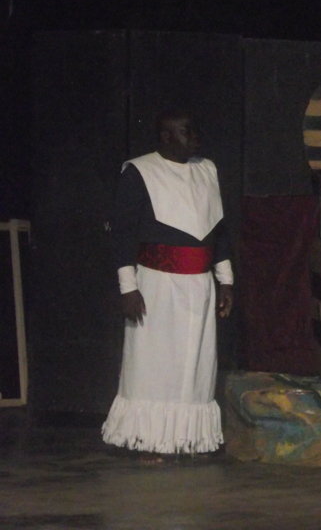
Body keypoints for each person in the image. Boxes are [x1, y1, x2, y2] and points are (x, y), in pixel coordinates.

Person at [101, 111, 234, 463]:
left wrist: (225, 281)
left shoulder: (207, 169)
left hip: (199, 285)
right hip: (157, 285)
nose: (196, 138)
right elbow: (123, 233)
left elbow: (218, 230)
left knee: (195, 364)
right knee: (154, 364)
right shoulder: (139, 171)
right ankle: (148, 440)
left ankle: (188, 440)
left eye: (195, 131)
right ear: (166, 136)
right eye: (187, 132)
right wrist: (128, 287)